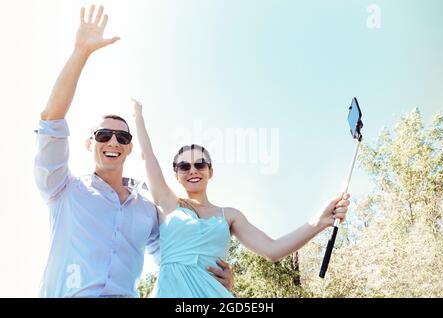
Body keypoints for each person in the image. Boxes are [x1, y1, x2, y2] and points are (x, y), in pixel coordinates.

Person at [34, 5, 232, 298]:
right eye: (103, 135)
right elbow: (51, 121)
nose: (112, 141)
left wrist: (217, 280)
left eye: (121, 136)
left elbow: (176, 257)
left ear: (129, 148)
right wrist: (81, 52)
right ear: (90, 144)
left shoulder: (146, 210)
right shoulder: (62, 190)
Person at [132, 100, 351, 298]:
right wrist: (137, 115)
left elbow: (272, 249)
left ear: (210, 171)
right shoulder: (167, 203)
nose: (192, 170)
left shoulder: (229, 215)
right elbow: (146, 154)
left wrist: (319, 222)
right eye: (184, 166)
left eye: (200, 164)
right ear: (176, 175)